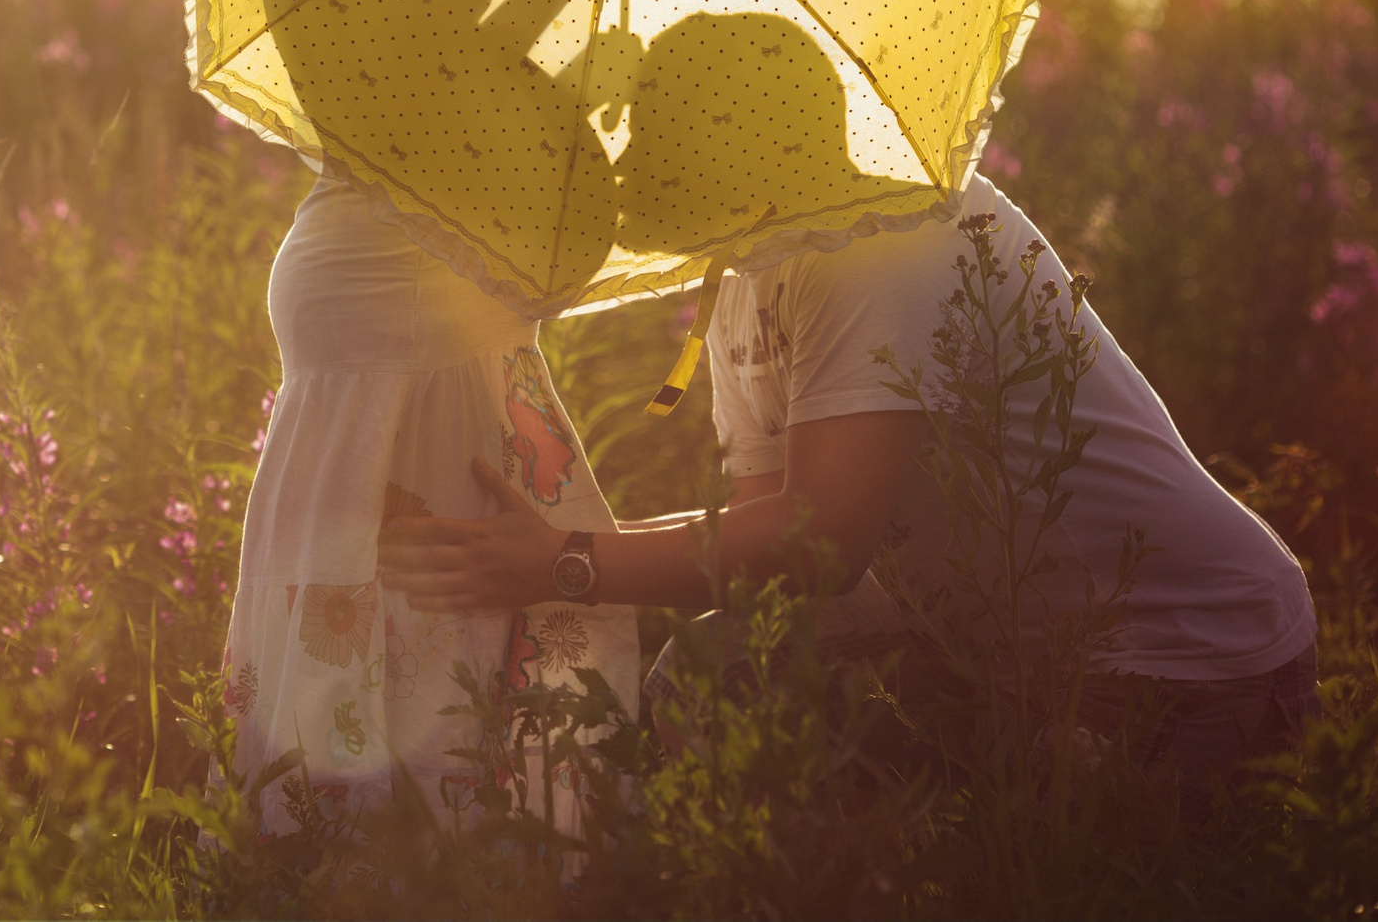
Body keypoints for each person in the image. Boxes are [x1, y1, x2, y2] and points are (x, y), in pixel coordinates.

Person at [378, 170, 1320, 791]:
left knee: (1019, 858)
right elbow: (762, 546)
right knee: (718, 671)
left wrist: (565, 562)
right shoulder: (751, 276)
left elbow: (817, 544)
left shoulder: (879, 235)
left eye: (656, 132)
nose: (627, 166)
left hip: (1187, 663)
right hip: (1007, 646)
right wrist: (558, 545)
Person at [219, 0, 646, 833]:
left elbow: (438, 113)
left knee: (425, 595)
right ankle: (436, 862)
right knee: (434, 601)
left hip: (400, 264)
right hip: (393, 283)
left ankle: (414, 853)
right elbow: (411, 129)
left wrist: (569, 89)